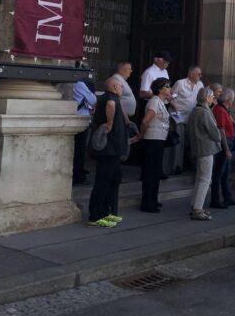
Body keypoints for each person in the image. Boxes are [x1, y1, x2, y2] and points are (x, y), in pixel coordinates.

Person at [87, 77, 138, 227]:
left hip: (114, 150)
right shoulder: (110, 98)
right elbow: (110, 105)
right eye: (121, 86)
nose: (122, 89)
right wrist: (109, 123)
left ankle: (107, 213)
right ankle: (95, 216)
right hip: (108, 150)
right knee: (103, 182)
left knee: (113, 180)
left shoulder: (110, 97)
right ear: (115, 87)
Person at [187, 87, 220, 221]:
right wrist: (218, 137)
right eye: (212, 96)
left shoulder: (195, 111)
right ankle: (197, 209)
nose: (213, 99)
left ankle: (195, 205)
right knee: (205, 179)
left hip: (199, 148)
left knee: (200, 178)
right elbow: (214, 132)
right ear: (206, 98)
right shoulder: (205, 112)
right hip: (206, 148)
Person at [140, 77, 171, 213]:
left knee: (155, 172)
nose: (169, 89)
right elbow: (145, 121)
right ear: (160, 89)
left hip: (159, 140)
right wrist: (141, 134)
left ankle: (153, 199)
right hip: (152, 140)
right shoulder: (154, 102)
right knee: (150, 173)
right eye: (167, 86)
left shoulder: (161, 102)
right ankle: (147, 203)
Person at [168, 65, 204, 175]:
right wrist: (174, 106)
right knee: (179, 142)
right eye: (198, 74)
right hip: (178, 117)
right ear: (191, 74)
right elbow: (170, 97)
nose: (200, 76)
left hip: (192, 118)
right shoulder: (180, 83)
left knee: (192, 142)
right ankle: (176, 166)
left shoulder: (200, 84)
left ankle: (191, 165)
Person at [210, 88, 235, 209]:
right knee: (219, 172)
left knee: (225, 172)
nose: (233, 102)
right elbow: (221, 131)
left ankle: (227, 196)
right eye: (232, 100)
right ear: (228, 100)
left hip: (228, 141)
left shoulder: (223, 109)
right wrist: (226, 149)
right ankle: (215, 199)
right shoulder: (220, 110)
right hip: (224, 143)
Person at [72, 77, 97, 185]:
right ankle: (78, 175)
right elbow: (93, 100)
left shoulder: (72, 83)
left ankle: (78, 172)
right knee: (80, 150)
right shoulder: (80, 84)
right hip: (80, 118)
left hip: (73, 117)